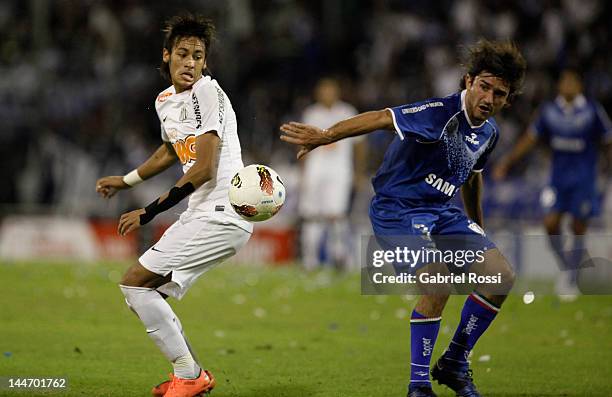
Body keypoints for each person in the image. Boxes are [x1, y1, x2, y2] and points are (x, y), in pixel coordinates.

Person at [281, 40, 526, 397]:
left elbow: (473, 175)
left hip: (442, 213)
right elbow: (383, 117)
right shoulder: (439, 112)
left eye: (499, 93)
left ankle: (455, 362)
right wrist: (326, 136)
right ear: (468, 81)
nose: (488, 99)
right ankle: (419, 386)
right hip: (398, 210)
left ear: (507, 99)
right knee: (437, 282)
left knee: (500, 275)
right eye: (484, 87)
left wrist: (478, 227)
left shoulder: (488, 133)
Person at [95, 15, 253, 397]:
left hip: (221, 213)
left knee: (135, 283)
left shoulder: (207, 94)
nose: (190, 63)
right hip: (202, 214)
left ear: (205, 63)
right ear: (166, 56)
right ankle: (190, 373)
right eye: (183, 53)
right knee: (147, 294)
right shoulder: (165, 100)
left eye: (198, 56)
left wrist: (146, 212)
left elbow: (203, 169)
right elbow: (170, 150)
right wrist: (128, 179)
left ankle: (190, 374)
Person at [493, 68, 612, 299]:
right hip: (557, 180)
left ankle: (570, 278)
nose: (567, 85)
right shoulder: (549, 111)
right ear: (559, 85)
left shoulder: (591, 111)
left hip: (584, 180)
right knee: (550, 224)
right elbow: (531, 138)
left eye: (572, 81)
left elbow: (608, 139)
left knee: (578, 227)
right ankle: (568, 267)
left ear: (579, 86)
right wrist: (507, 162)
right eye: (564, 81)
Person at [298, 78, 363, 270]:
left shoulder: (347, 112)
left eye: (330, 90)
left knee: (336, 214)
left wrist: (358, 172)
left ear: (337, 92)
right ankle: (309, 260)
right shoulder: (311, 113)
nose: (327, 94)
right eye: (323, 90)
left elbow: (360, 145)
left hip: (339, 170)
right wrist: (303, 172)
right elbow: (303, 145)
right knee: (311, 215)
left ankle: (339, 255)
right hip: (315, 170)